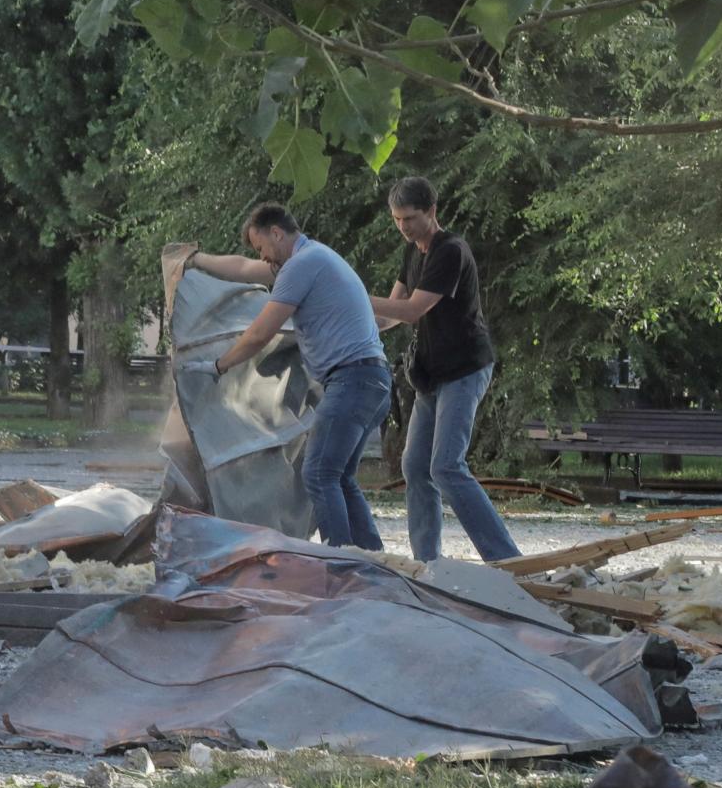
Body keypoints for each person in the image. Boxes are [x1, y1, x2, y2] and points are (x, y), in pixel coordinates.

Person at [177, 203, 393, 550]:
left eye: (262, 248)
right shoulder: (313, 258)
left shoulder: (301, 265)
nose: (264, 259)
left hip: (353, 380)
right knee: (341, 478)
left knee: (319, 474)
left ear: (277, 233)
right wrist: (197, 259)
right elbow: (245, 269)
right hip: (372, 380)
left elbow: (261, 333)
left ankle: (340, 563)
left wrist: (218, 365)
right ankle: (370, 561)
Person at [370, 174, 521, 563]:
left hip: (465, 369)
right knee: (415, 466)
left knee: (446, 466)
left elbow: (411, 310)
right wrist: (352, 321)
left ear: (432, 211)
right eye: (397, 219)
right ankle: (427, 564)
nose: (403, 226)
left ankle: (507, 559)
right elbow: (391, 315)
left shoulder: (450, 251)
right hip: (431, 375)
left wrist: (353, 293)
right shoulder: (411, 252)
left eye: (411, 218)